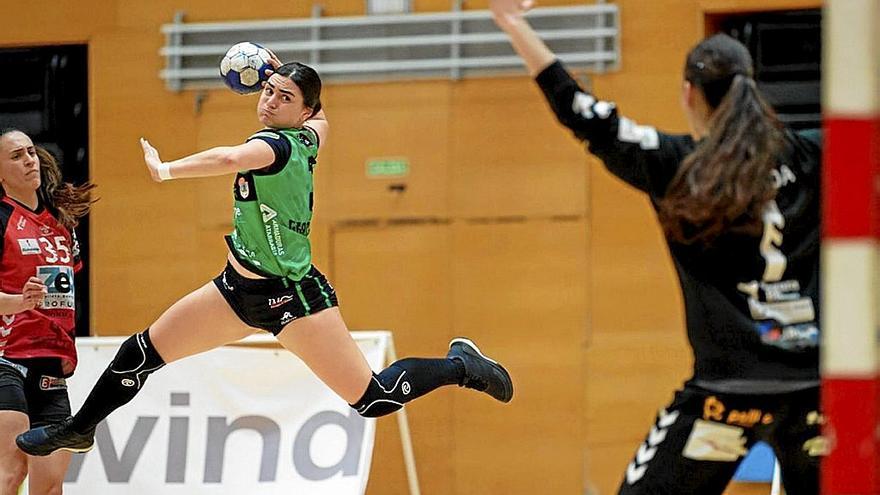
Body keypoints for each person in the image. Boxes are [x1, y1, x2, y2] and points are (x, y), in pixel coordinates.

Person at [16, 59, 513, 458]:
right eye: (268, 90)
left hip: (292, 299)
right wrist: (282, 71)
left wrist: (165, 170)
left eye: (284, 97)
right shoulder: (312, 132)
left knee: (373, 399)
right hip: (236, 291)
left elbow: (230, 160)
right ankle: (78, 429)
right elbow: (323, 116)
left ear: (301, 113)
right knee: (143, 352)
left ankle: (460, 366)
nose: (271, 101)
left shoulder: (276, 144)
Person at [489, 1, 822, 493]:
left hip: (723, 403)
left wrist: (511, 23)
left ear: (689, 94)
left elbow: (581, 112)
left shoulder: (678, 166)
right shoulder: (816, 154)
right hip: (818, 399)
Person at [0, 129, 95, 495]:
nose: (28, 161)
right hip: (7, 357)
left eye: (30, 153)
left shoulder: (62, 222)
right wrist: (16, 302)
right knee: (11, 473)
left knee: (51, 485)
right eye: (16, 156)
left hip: (52, 363)